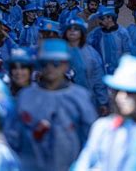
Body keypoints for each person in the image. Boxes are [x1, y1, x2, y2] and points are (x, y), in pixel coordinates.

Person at [16, 39, 97, 171]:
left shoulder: (80, 97)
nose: (50, 68)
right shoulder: (25, 96)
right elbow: (14, 137)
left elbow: (91, 139)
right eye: (45, 63)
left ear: (66, 65)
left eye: (56, 63)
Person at [63, 17, 109, 115]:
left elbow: (98, 79)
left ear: (82, 32)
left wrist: (102, 102)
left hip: (87, 100)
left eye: (76, 28)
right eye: (69, 28)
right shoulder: (58, 52)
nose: (72, 31)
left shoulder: (91, 53)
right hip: (63, 101)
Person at [87, 6, 131, 75]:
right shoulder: (96, 33)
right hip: (100, 73)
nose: (99, 21)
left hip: (118, 74)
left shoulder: (122, 33)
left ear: (110, 18)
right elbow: (88, 49)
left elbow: (127, 52)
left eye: (102, 19)